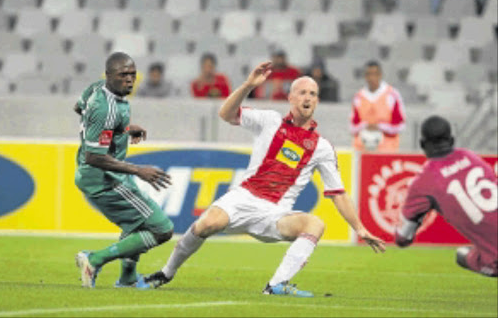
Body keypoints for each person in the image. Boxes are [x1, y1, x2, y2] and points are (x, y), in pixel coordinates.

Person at [144, 62, 386, 297]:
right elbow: (226, 114)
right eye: (302, 92)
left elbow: (338, 193)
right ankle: (166, 273)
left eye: (313, 93)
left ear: (318, 101)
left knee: (315, 224)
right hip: (243, 198)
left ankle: (276, 285)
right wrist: (249, 85)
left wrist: (360, 228)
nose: (308, 97)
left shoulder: (322, 147)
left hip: (274, 213)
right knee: (206, 224)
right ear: (291, 98)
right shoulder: (269, 120)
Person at [73, 52, 175, 289]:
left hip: (102, 176)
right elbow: (94, 156)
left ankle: (128, 279)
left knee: (139, 225)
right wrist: (138, 170)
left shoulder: (95, 89)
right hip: (105, 179)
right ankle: (95, 259)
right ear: (109, 75)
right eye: (123, 75)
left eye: (132, 74)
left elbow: (80, 110)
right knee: (162, 230)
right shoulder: (105, 108)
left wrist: (121, 129)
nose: (129, 79)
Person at [395, 115, 497, 277]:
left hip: (495, 258)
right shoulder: (472, 158)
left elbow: (402, 239)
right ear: (451, 140)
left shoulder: (423, 182)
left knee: (463, 255)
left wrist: (410, 225)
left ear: (422, 144)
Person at [350, 61, 406, 153]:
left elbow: (400, 125)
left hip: (387, 150)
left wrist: (380, 127)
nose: (372, 78)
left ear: (380, 75)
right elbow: (352, 126)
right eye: (369, 74)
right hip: (362, 150)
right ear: (365, 76)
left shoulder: (392, 95)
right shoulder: (358, 97)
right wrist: (366, 126)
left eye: (375, 74)